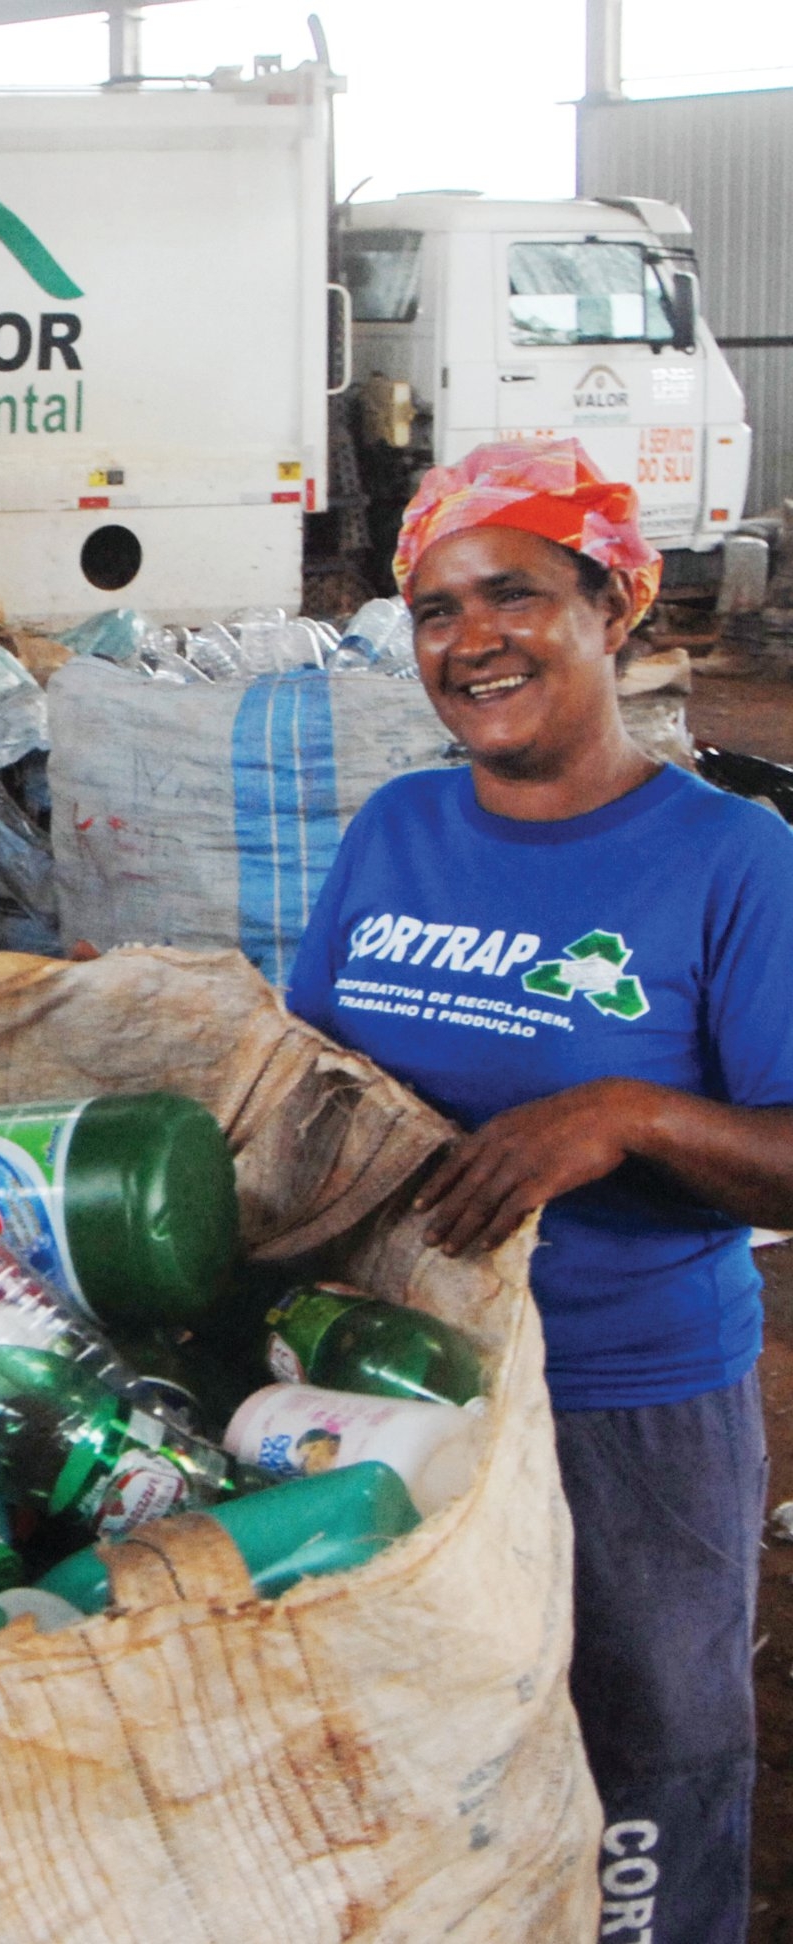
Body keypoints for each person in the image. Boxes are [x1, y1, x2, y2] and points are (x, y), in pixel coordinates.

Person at [286, 439, 793, 1944]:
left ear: (613, 605)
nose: (470, 641)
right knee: (431, 1752)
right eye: (435, 610)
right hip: (402, 1386)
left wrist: (628, 1113)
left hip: (625, 1402)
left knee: (645, 1758)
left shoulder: (730, 858)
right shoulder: (398, 830)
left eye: (513, 593)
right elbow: (309, 1073)